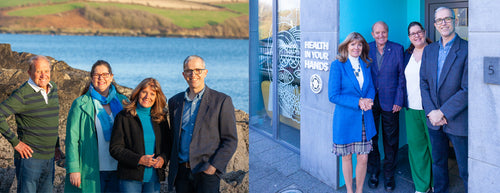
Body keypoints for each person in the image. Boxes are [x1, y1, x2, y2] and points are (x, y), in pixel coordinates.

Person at [168, 55, 238, 193]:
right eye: (189, 70)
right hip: (181, 173)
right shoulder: (174, 102)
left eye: (198, 70)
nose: (193, 74)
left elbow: (230, 140)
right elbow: (173, 138)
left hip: (206, 172)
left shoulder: (221, 101)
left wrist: (213, 168)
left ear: (205, 72)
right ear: (183, 74)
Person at [420, 7, 468, 193]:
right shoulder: (429, 50)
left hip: (457, 119)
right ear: (434, 25)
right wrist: (432, 112)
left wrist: (443, 112)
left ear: (454, 21)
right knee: (438, 162)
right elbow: (423, 83)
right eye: (439, 20)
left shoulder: (466, 49)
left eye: (447, 18)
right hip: (434, 119)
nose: (443, 22)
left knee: (465, 168)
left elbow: (467, 89)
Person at [0, 55, 61, 193]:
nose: (43, 75)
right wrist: (15, 143)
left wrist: (56, 146)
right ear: (29, 72)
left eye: (46, 71)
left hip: (49, 158)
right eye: (39, 71)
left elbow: (51, 121)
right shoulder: (22, 94)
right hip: (30, 159)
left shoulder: (53, 88)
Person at [65, 60, 128, 192]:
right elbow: (72, 140)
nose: (101, 78)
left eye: (105, 74)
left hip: (120, 168)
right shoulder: (80, 104)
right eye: (96, 75)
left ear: (111, 77)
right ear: (91, 77)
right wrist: (73, 169)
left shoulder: (123, 102)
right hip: (92, 168)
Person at [328, 32, 376, 193]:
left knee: (363, 157)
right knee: (347, 157)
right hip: (346, 120)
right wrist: (358, 102)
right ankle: (349, 190)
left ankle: (359, 190)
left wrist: (369, 99)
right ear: (346, 46)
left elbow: (370, 87)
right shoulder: (338, 65)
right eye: (353, 44)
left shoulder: (366, 63)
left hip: (364, 118)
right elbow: (333, 95)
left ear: (363, 47)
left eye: (359, 44)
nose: (356, 47)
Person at [109, 78, 171, 193]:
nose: (148, 96)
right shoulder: (124, 117)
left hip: (154, 178)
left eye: (152, 94)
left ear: (157, 97)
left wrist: (163, 158)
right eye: (144, 92)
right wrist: (139, 160)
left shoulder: (160, 118)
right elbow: (115, 148)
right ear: (138, 93)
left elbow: (167, 145)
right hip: (130, 179)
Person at [367, 21, 405, 191]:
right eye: (377, 32)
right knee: (372, 139)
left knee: (391, 140)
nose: (381, 35)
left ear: (387, 33)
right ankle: (374, 172)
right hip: (371, 102)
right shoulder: (366, 48)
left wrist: (399, 99)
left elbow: (402, 77)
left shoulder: (397, 49)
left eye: (384, 32)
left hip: (391, 102)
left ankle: (389, 174)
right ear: (372, 33)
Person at [404, 21, 433, 193]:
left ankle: (437, 182)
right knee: (416, 148)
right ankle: (422, 186)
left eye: (419, 32)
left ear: (424, 32)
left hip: (432, 110)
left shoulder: (435, 51)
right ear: (409, 37)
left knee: (435, 148)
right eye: (412, 33)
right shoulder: (407, 54)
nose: (417, 35)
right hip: (411, 108)